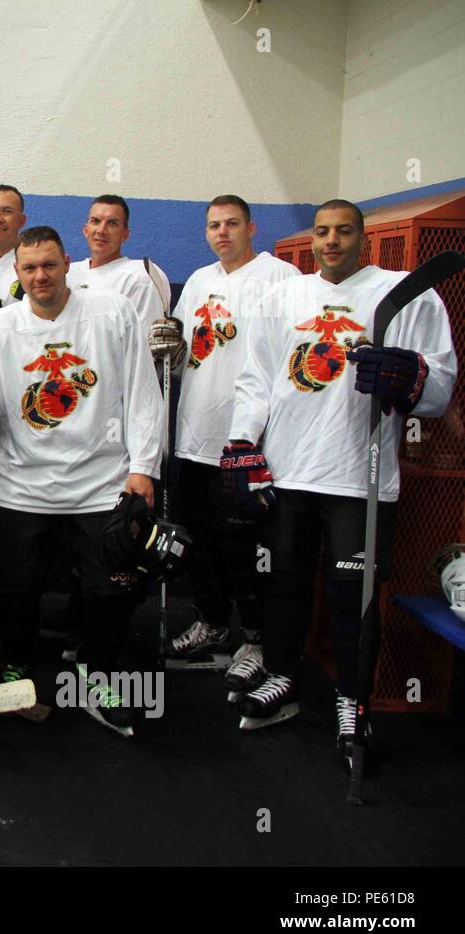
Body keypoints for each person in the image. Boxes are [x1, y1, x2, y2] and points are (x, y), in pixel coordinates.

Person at [226, 200, 457, 761]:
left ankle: (354, 703)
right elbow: (256, 379)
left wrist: (411, 377)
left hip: (360, 476)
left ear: (363, 237)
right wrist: (241, 444)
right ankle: (282, 678)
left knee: (352, 597)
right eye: (323, 231)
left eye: (343, 231)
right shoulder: (283, 297)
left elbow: (440, 388)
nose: (331, 241)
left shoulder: (406, 294)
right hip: (288, 468)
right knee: (285, 584)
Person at [0, 226, 162, 736]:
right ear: (17, 274)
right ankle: (17, 667)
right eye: (29, 268)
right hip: (23, 485)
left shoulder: (112, 313)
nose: (40, 276)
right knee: (18, 591)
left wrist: (143, 469)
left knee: (110, 592)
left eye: (49, 265)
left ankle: (97, 675)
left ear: (68, 264)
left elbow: (141, 393)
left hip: (103, 483)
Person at [154, 195, 299, 676]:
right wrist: (168, 346)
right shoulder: (198, 280)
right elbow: (183, 354)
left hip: (246, 441)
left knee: (244, 549)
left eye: (231, 223)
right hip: (195, 435)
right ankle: (214, 624)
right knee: (198, 543)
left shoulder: (280, 278)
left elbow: (289, 361)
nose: (222, 233)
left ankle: (255, 639)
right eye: (214, 225)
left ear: (251, 228)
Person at [66, 194, 170, 335]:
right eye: (95, 221)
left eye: (112, 223)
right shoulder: (67, 273)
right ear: (85, 230)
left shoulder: (140, 277)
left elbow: (144, 346)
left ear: (125, 235)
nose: (101, 230)